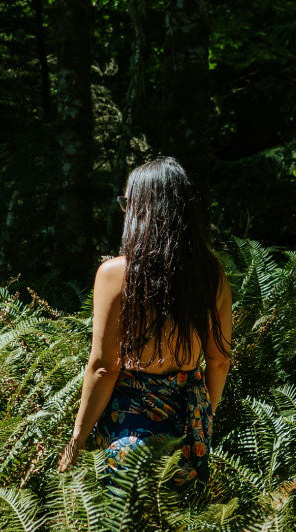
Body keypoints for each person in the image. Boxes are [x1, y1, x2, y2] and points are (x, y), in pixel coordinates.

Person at [57, 156, 232, 492]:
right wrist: (202, 420)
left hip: (129, 427)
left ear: (142, 210)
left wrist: (76, 441)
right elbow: (219, 360)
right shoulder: (212, 275)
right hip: (189, 422)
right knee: (181, 518)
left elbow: (104, 368)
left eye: (127, 204)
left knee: (122, 516)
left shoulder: (115, 274)